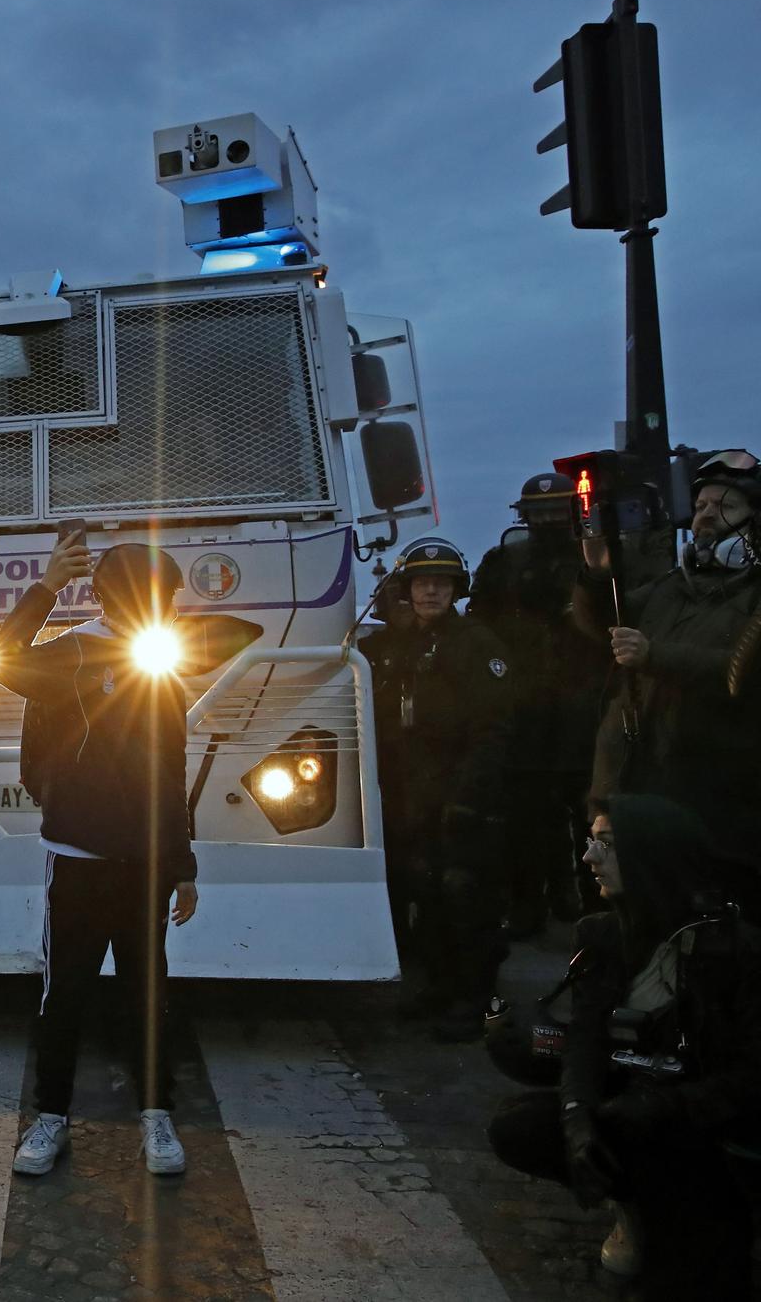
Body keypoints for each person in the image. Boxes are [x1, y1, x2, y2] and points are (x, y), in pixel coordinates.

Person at [486, 795, 760, 1296]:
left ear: (652, 855)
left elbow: (751, 1077)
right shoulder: (603, 934)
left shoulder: (734, 951)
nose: (589, 858)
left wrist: (659, 1108)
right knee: (521, 1124)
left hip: (702, 1128)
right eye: (590, 841)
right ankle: (630, 1205)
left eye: (607, 845)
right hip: (632, 1109)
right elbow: (585, 1040)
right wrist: (578, 1122)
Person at [0, 536, 199, 1180]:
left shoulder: (160, 664)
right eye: (157, 597)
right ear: (119, 598)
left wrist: (182, 863)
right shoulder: (75, 650)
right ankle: (51, 1116)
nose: (165, 609)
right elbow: (2, 662)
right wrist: (47, 587)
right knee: (66, 997)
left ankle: (156, 1116)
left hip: (145, 865)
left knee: (149, 995)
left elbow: (171, 772)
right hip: (76, 859)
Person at [361, 537, 515, 1041]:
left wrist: (470, 798)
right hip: (411, 794)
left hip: (460, 792)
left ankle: (477, 1003)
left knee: (466, 898)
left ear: (456, 589)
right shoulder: (395, 646)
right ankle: (442, 989)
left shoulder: (476, 643)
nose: (430, 591)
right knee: (424, 895)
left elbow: (495, 729)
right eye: (421, 583)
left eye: (440, 583)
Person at [576, 449, 761, 857]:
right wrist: (597, 575)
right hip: (637, 788)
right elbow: (601, 622)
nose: (706, 515)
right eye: (700, 506)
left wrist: (654, 655)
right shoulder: (671, 586)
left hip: (717, 801)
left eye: (724, 505)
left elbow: (743, 673)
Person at [470, 473, 610, 931]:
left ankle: (595, 904)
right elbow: (480, 625)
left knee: (590, 814)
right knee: (527, 818)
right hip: (527, 706)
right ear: (524, 517)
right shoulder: (503, 562)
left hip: (584, 705)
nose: (548, 521)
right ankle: (532, 907)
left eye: (557, 511)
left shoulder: (596, 559)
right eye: (540, 513)